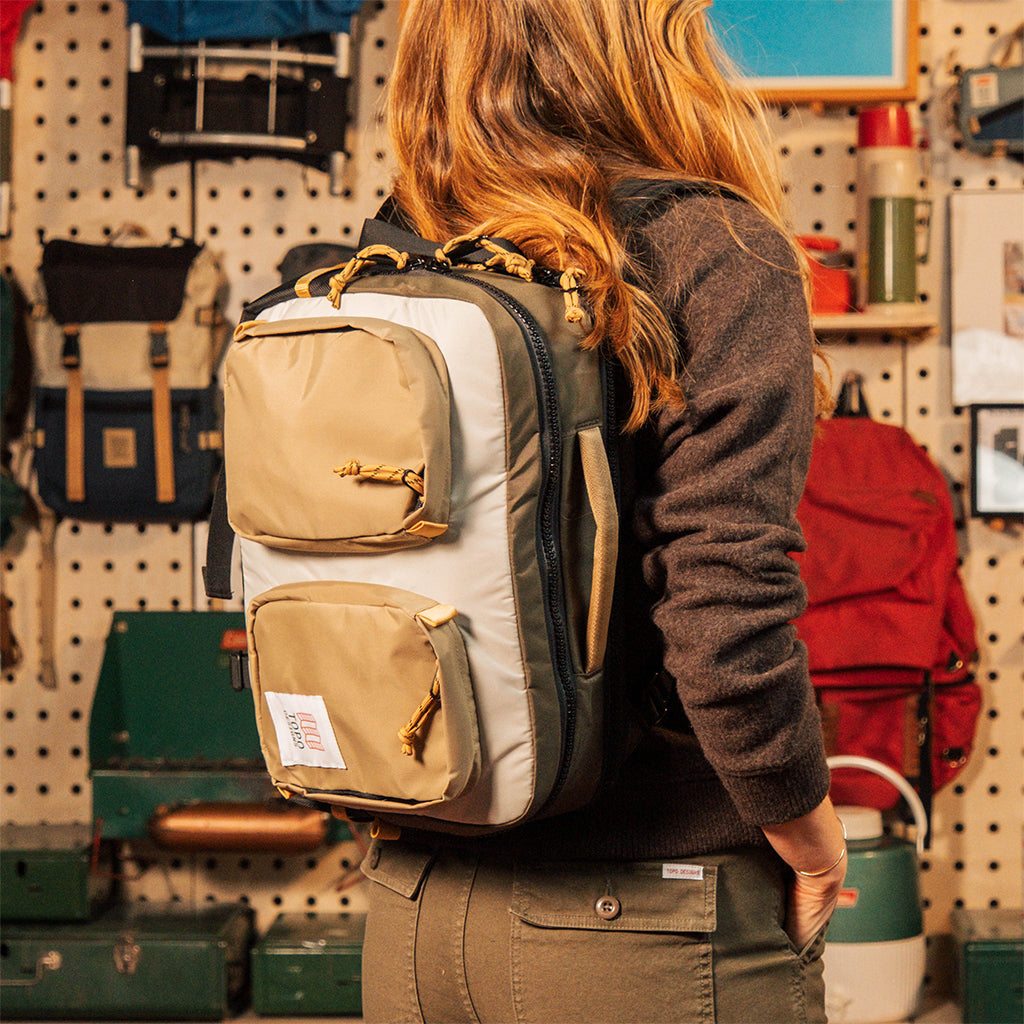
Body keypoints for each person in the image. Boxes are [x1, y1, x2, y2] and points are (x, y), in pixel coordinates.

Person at [359, 2, 847, 1021]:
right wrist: (804, 828)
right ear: (641, 37)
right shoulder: (710, 247)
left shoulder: (397, 249)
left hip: (414, 911)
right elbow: (722, 610)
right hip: (643, 924)